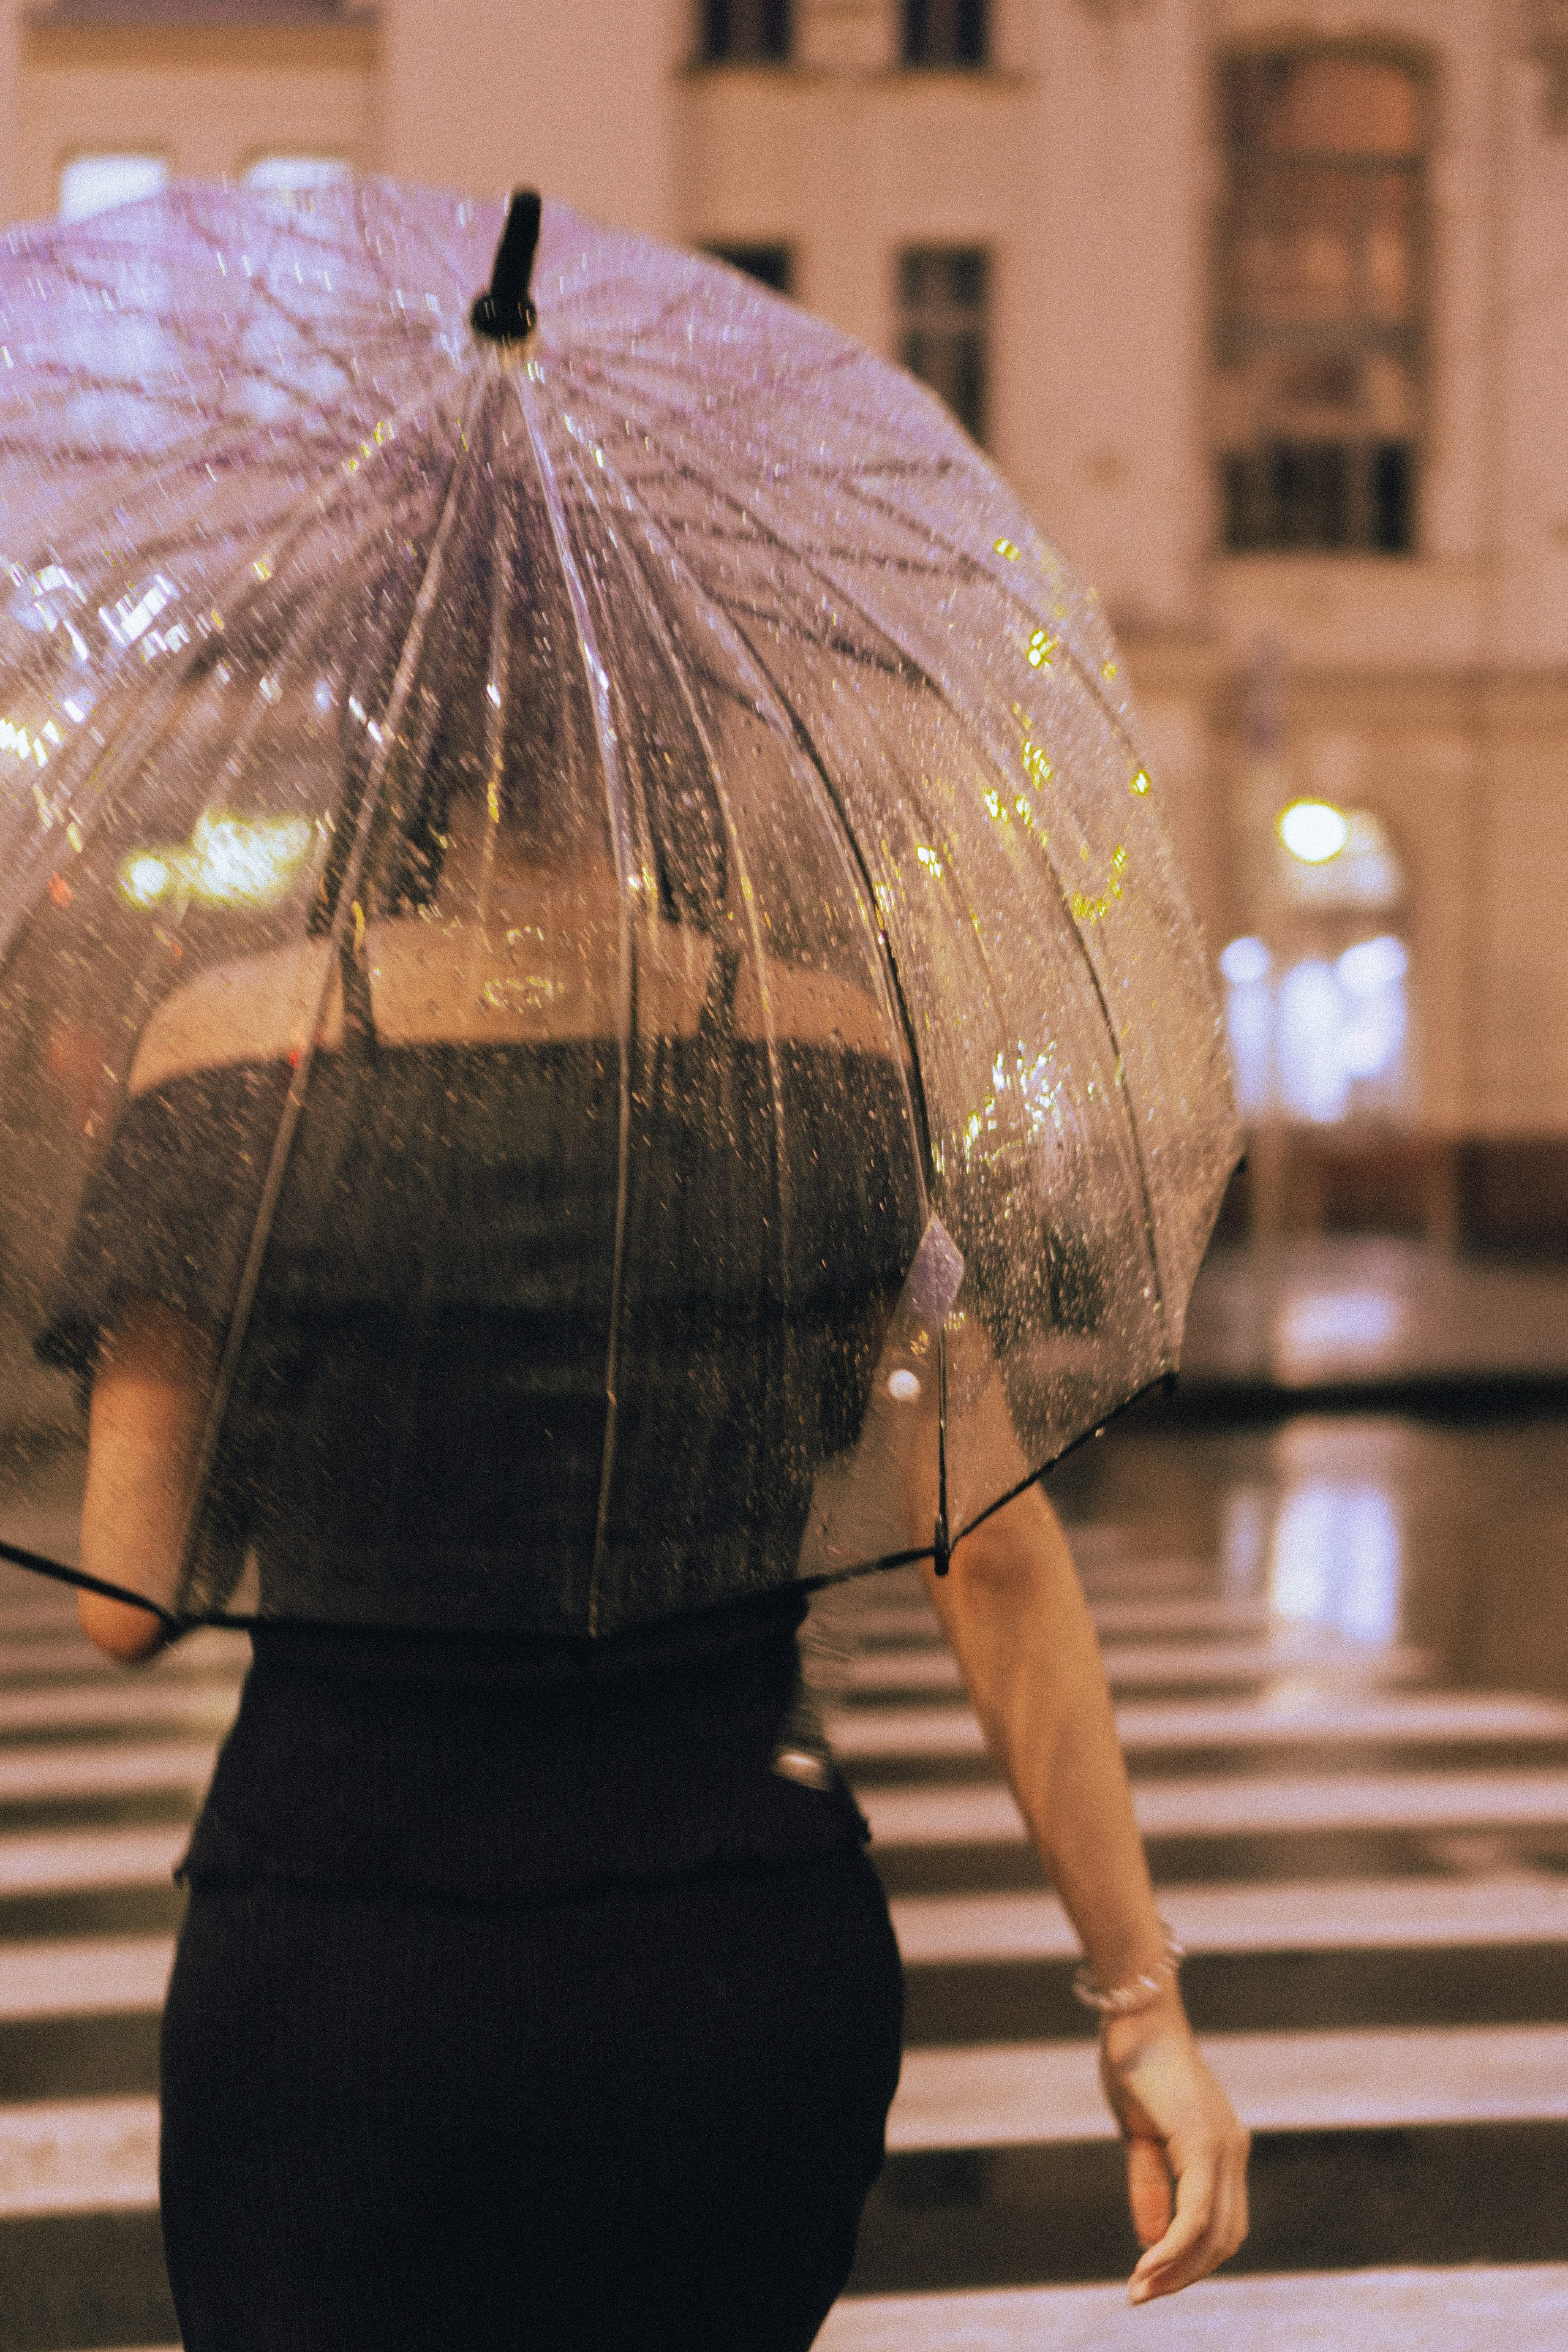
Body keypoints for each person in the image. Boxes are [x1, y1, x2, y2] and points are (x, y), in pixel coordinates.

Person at [64, 736, 1248, 2347]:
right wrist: (1140, 2004)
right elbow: (993, 1553)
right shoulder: (818, 1056)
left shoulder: (227, 1056)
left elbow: (128, 1596)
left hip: (341, 1954)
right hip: (726, 1957)